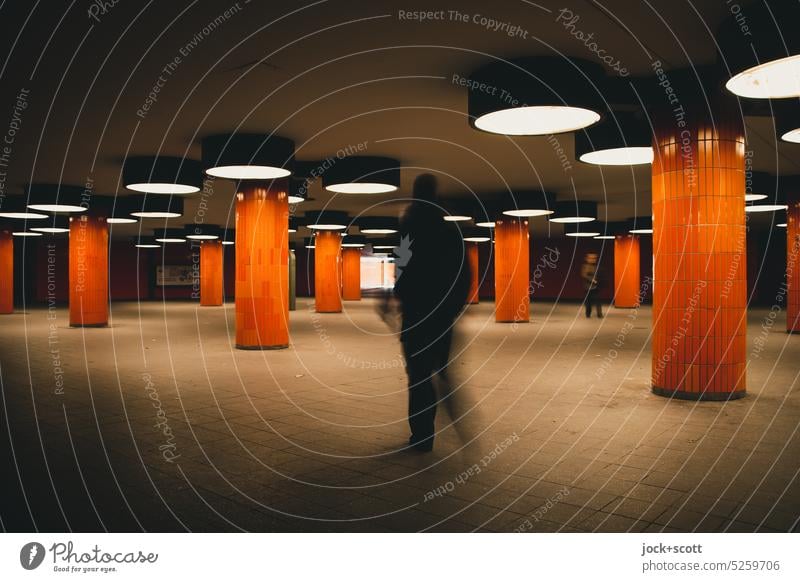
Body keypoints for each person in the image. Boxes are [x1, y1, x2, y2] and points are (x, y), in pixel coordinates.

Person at [391, 174, 471, 452]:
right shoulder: (449, 231)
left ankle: (422, 436)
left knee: (418, 377)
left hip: (415, 317)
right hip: (442, 318)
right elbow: (464, 275)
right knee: (440, 371)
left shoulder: (408, 227)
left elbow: (401, 269)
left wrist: (398, 297)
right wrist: (452, 308)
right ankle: (452, 413)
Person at [580, 252, 603, 318]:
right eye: (591, 258)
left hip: (595, 287)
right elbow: (584, 275)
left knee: (598, 301)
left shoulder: (597, 266)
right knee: (588, 302)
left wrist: (598, 281)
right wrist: (592, 280)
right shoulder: (585, 266)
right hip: (587, 287)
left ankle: (599, 314)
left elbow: (599, 275)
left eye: (594, 258)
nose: (593, 259)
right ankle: (588, 314)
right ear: (587, 259)